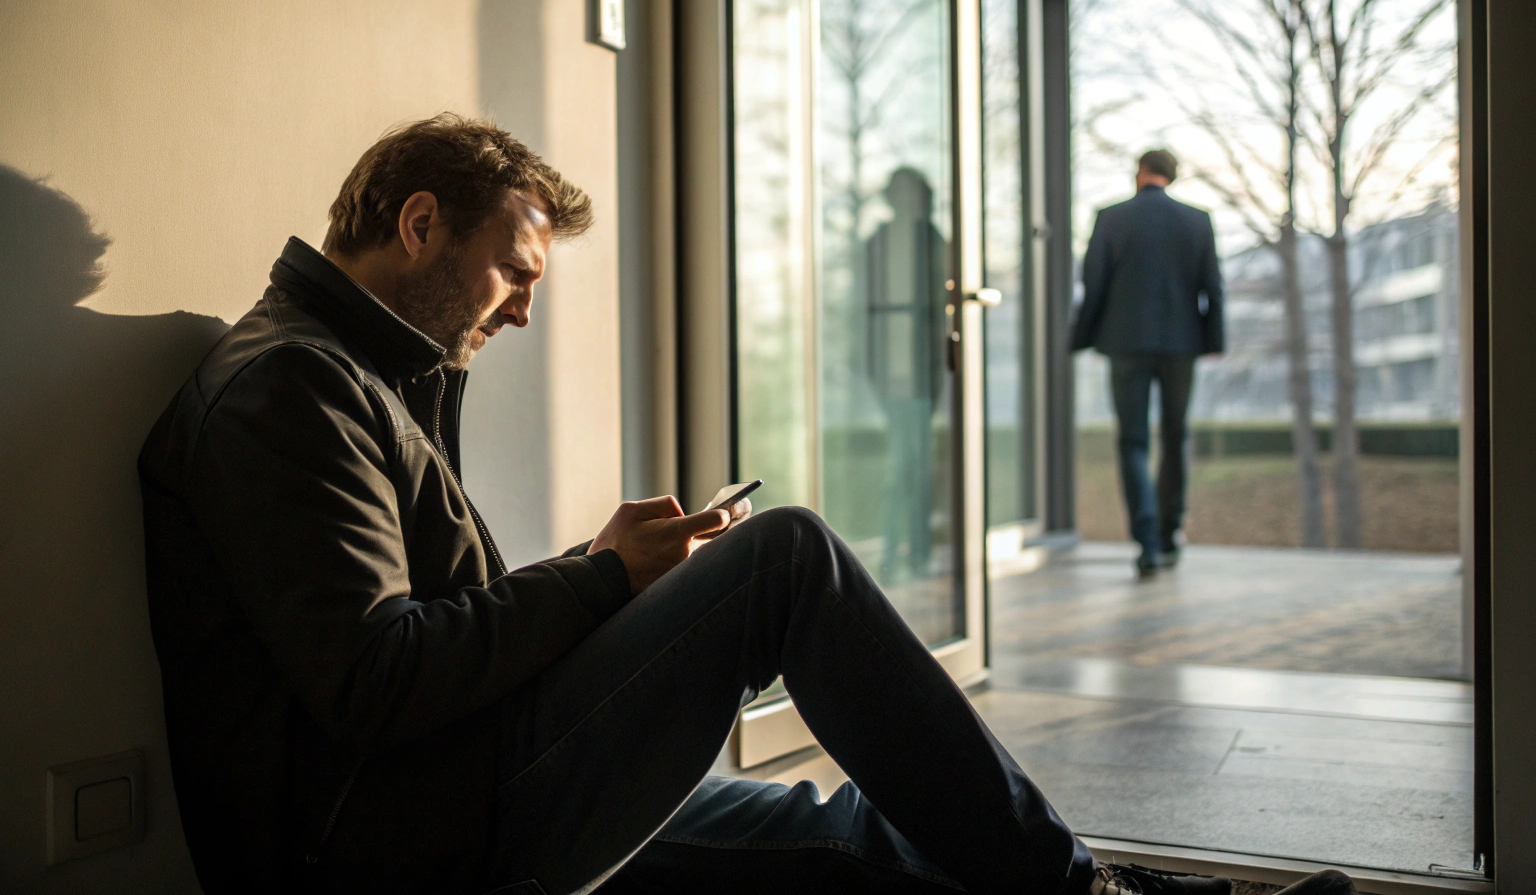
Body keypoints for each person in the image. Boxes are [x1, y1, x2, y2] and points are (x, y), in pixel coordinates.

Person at [141, 117, 1328, 895]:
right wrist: (601, 578)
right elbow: (376, 679)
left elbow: (418, 633)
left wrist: (607, 566)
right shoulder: (290, 385)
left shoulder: (358, 375)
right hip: (393, 845)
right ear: (418, 225)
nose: (521, 311)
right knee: (784, 559)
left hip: (453, 787)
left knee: (856, 834)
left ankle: (1118, 887)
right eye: (516, 273)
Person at [1071, 150, 1225, 576]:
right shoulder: (1197, 220)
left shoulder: (1111, 217)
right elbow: (1213, 284)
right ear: (1172, 178)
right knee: (1176, 436)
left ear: (1139, 173)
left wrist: (1081, 337)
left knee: (1133, 440)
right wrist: (1213, 340)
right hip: (1182, 344)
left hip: (1125, 343)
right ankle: (1170, 532)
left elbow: (1093, 283)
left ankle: (1147, 543)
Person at [864, 166, 949, 583]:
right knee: (904, 465)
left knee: (914, 465)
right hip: (892, 374)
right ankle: (899, 554)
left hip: (922, 372)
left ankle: (912, 554)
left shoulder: (932, 241)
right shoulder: (878, 242)